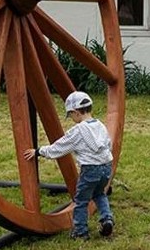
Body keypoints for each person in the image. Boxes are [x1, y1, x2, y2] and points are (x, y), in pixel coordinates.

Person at [23, 91, 114, 240]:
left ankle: (80, 232)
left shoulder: (78, 131)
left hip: (90, 169)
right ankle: (107, 219)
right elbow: (108, 145)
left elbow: (60, 147)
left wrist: (39, 151)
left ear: (76, 112)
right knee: (99, 194)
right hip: (106, 167)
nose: (71, 118)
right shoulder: (100, 125)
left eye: (70, 115)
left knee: (81, 200)